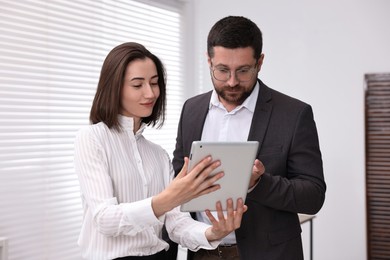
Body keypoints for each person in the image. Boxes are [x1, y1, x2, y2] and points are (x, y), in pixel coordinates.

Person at [73, 42, 248, 260]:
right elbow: (105, 220)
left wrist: (214, 232)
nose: (150, 93)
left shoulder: (158, 155)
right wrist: (166, 199)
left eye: (154, 83)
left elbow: (176, 224)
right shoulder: (92, 138)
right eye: (137, 85)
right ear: (114, 88)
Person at [172, 16, 327, 260]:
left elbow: (313, 196)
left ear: (260, 62)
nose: (232, 82)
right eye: (222, 70)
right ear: (209, 60)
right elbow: (177, 179)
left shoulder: (294, 114)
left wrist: (258, 183)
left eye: (243, 70)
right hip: (202, 251)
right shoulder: (191, 109)